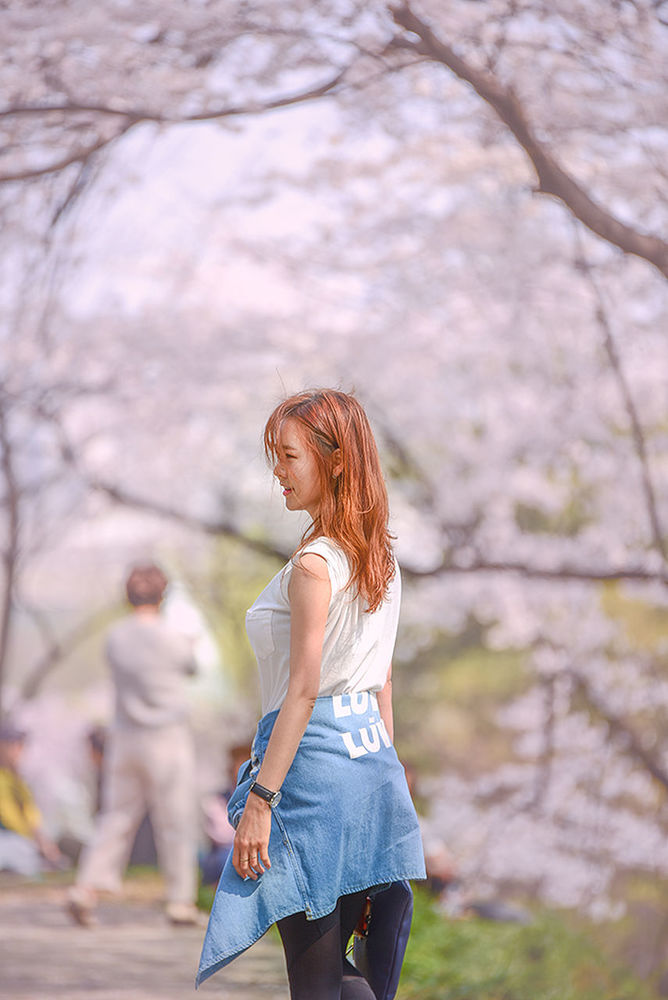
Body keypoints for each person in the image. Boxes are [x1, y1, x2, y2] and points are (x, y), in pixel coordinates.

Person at [197, 389, 425, 999]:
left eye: (290, 456)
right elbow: (383, 681)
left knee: (318, 975)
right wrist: (384, 781)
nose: (278, 472)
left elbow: (302, 688)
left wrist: (262, 801)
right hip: (371, 768)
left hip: (311, 778)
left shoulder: (316, 565)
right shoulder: (381, 558)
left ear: (337, 460)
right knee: (348, 969)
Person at [67, 563, 200, 927]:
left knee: (114, 818)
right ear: (163, 595)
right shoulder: (173, 636)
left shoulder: (115, 637)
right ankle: (179, 901)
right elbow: (192, 667)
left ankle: (86, 889)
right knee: (174, 821)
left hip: (125, 738)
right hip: (167, 739)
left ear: (127, 596)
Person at [0, 721, 65, 876]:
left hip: (19, 841)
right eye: (13, 743)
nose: (19, 749)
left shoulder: (17, 780)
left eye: (21, 744)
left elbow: (31, 817)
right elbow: (10, 819)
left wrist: (45, 844)